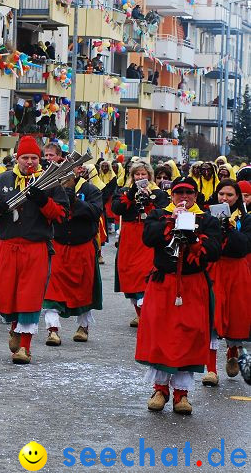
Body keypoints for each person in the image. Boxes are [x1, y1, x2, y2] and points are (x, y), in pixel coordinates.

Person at [138, 177, 221, 414]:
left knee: (189, 335)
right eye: (178, 192)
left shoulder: (207, 220)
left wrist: (194, 237)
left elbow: (213, 252)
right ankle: (160, 389)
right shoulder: (159, 214)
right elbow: (148, 239)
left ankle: (181, 395)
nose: (183, 197)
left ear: (196, 195)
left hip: (193, 284)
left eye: (189, 192)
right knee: (161, 334)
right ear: (172, 195)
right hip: (164, 282)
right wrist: (170, 220)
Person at [0, 136, 69, 365]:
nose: (29, 162)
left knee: (29, 296)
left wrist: (44, 202)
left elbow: (61, 215)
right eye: (25, 157)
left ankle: (25, 346)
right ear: (16, 159)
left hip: (35, 248)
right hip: (7, 246)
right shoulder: (1, 179)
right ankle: (14, 326)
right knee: (4, 294)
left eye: (34, 157)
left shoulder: (50, 182)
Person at [43, 163, 103, 345]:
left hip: (83, 246)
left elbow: (95, 212)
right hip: (59, 246)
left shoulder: (90, 189)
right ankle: (52, 330)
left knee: (85, 289)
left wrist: (74, 200)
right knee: (52, 290)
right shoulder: (52, 189)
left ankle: (83, 327)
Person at [203, 180, 251, 387]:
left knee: (235, 316)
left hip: (237, 270)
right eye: (221, 194)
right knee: (212, 317)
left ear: (237, 197)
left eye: (230, 195)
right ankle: (211, 370)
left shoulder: (246, 219)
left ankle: (232, 350)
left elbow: (244, 247)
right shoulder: (206, 216)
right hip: (215, 268)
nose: (225, 198)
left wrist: (230, 229)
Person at [111, 162, 169, 327]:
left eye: (143, 174)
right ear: (132, 176)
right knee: (128, 273)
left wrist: (149, 202)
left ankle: (147, 315)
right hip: (129, 236)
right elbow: (117, 209)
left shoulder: (158, 193)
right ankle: (140, 314)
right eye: (137, 174)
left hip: (147, 235)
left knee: (144, 273)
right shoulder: (124, 190)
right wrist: (131, 195)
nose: (140, 177)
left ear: (149, 175)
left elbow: (163, 212)